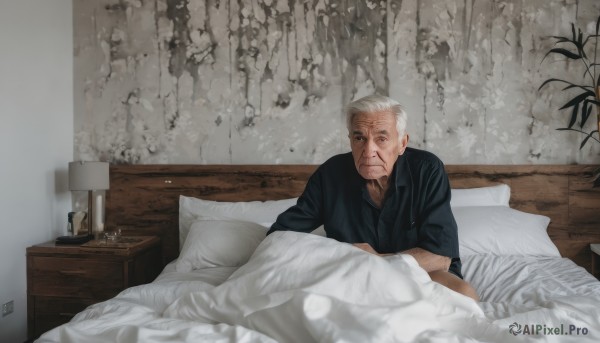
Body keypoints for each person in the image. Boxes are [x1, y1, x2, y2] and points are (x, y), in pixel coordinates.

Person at [268, 94, 479, 301]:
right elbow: (280, 237)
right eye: (359, 138)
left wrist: (376, 260)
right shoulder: (330, 174)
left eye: (382, 139)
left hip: (421, 271)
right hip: (353, 274)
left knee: (464, 294)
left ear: (402, 143)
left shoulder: (427, 170)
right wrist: (336, 257)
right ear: (350, 140)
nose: (368, 151)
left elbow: (440, 258)